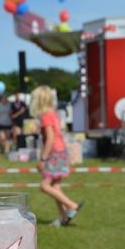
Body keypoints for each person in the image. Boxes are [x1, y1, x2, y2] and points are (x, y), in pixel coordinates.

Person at [30, 85, 84, 227]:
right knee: (55, 185)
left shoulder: (45, 116)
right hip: (62, 151)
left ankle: (71, 205)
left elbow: (50, 138)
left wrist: (42, 159)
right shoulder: (53, 113)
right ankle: (63, 218)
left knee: (44, 185)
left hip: (54, 153)